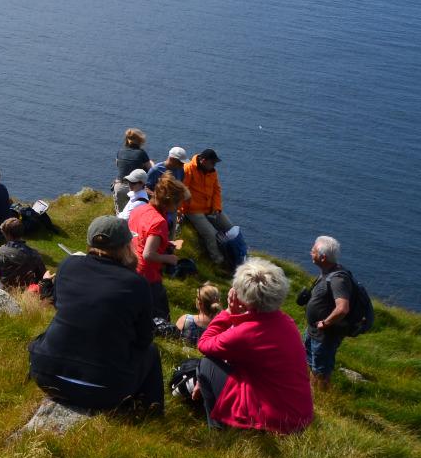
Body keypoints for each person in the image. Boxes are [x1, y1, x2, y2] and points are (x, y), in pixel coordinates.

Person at [27, 215, 163, 412]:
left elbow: (59, 304)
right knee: (151, 352)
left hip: (45, 375)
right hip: (104, 392)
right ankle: (150, 413)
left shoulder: (68, 265)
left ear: (90, 242)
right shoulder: (136, 284)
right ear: (126, 246)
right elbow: (144, 339)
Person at [174, 258, 313, 434]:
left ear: (243, 295)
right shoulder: (287, 322)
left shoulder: (247, 332)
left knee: (206, 364)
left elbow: (204, 343)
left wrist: (229, 313)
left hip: (274, 421)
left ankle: (218, 430)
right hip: (299, 416)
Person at [128, 175, 187, 324]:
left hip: (131, 266)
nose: (180, 206)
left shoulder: (140, 210)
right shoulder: (159, 222)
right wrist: (170, 259)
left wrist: (165, 243)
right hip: (149, 275)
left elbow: (140, 238)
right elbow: (148, 254)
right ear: (169, 201)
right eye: (178, 202)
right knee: (161, 319)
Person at [301, 235, 355, 389]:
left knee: (321, 370)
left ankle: (324, 398)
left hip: (324, 335)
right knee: (312, 364)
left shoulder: (338, 279)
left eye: (313, 251)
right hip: (314, 331)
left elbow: (343, 308)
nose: (310, 253)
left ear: (323, 257)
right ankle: (313, 394)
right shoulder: (327, 271)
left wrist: (325, 323)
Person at [182, 149, 235, 272]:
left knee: (230, 228)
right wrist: (182, 210)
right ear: (203, 161)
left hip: (210, 208)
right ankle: (218, 261)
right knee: (211, 234)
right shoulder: (188, 169)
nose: (214, 165)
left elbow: (217, 190)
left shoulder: (212, 172)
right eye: (213, 163)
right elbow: (182, 191)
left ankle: (237, 254)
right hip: (193, 210)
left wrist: (217, 207)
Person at [0, 217, 51, 299]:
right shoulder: (34, 254)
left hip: (5, 290)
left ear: (8, 234)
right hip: (25, 292)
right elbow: (42, 276)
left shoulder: (1, 251)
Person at [113, 128, 151, 210]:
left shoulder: (120, 151)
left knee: (121, 216)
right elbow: (150, 169)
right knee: (136, 215)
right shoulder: (141, 153)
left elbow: (118, 164)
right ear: (140, 141)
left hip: (119, 186)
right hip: (135, 188)